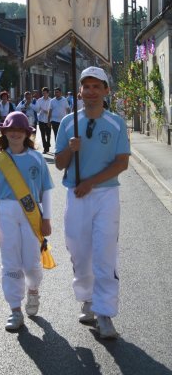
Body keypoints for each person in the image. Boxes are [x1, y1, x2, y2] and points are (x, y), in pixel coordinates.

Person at [54, 66, 130, 339]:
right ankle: (87, 299)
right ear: (80, 92)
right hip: (76, 196)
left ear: (106, 91)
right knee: (79, 250)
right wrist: (69, 149)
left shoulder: (116, 123)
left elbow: (122, 162)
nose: (91, 91)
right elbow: (60, 163)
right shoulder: (67, 124)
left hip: (105, 195)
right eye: (87, 86)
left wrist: (92, 182)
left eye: (97, 86)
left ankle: (105, 312)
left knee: (105, 252)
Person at [0, 112, 54, 331]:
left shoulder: (36, 158)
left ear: (27, 133)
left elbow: (47, 191)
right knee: (10, 261)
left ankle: (33, 290)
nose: (15, 133)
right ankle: (15, 308)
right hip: (5, 213)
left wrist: (47, 219)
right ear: (4, 132)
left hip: (32, 214)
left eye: (20, 130)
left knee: (31, 262)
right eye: (10, 129)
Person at [36, 87, 52, 154]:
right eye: (43, 93)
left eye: (45, 93)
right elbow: (37, 109)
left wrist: (48, 112)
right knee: (42, 134)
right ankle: (45, 148)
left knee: (48, 134)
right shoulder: (39, 100)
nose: (44, 94)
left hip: (48, 119)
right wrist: (41, 110)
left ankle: (48, 144)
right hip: (41, 119)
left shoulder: (51, 100)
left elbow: (52, 110)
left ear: (48, 93)